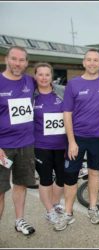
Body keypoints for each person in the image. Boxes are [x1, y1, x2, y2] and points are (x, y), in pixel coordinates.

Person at [54, 49, 99, 231]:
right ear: (83, 62)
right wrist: (72, 141)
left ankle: (92, 207)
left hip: (98, 138)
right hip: (77, 139)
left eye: (95, 60)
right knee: (70, 177)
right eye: (89, 60)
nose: (92, 63)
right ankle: (68, 213)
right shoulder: (73, 84)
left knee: (94, 173)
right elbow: (67, 114)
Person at [0, 46, 36, 235]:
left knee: (21, 184)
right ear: (7, 59)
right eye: (14, 59)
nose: (17, 63)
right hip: (2, 147)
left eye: (21, 60)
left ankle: (19, 220)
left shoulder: (30, 81)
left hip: (26, 144)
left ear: (26, 63)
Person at [33, 62, 67, 225]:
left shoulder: (61, 93)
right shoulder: (31, 97)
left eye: (47, 74)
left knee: (61, 178)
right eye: (40, 74)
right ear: (35, 76)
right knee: (45, 179)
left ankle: (54, 203)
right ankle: (49, 210)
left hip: (62, 145)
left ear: (52, 76)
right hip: (41, 146)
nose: (44, 78)